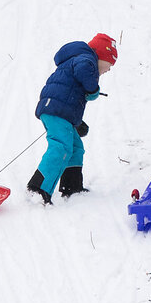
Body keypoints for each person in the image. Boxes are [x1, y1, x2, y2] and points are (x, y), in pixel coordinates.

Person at [27, 34, 118, 203]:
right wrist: (92, 88)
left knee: (76, 147)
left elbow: (69, 96)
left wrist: (76, 122)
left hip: (59, 111)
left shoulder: (79, 59)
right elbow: (83, 69)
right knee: (61, 147)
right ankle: (38, 189)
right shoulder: (86, 59)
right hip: (56, 111)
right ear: (101, 55)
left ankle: (72, 186)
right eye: (110, 63)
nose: (109, 69)